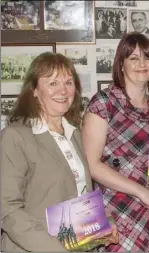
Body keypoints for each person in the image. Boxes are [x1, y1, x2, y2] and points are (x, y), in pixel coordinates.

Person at [82, 33, 149, 252]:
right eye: (133, 58)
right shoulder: (104, 103)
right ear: (121, 64)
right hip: (116, 211)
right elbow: (92, 166)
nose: (142, 64)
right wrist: (140, 192)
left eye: (147, 57)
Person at [0, 53, 98, 251]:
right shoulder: (15, 137)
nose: (63, 90)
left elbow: (79, 194)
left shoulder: (75, 134)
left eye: (69, 82)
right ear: (34, 90)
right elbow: (8, 211)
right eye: (53, 83)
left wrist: (101, 225)